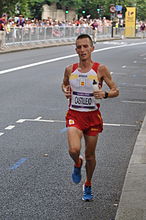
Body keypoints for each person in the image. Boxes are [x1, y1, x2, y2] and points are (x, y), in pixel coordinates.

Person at [62, 34, 119, 201]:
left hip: (93, 117)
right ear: (76, 50)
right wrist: (65, 90)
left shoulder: (100, 69)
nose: (82, 50)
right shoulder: (70, 69)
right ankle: (77, 163)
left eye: (85, 46)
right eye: (79, 47)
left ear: (92, 48)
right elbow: (64, 83)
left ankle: (88, 183)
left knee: (90, 155)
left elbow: (116, 90)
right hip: (75, 114)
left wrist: (106, 94)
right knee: (73, 149)